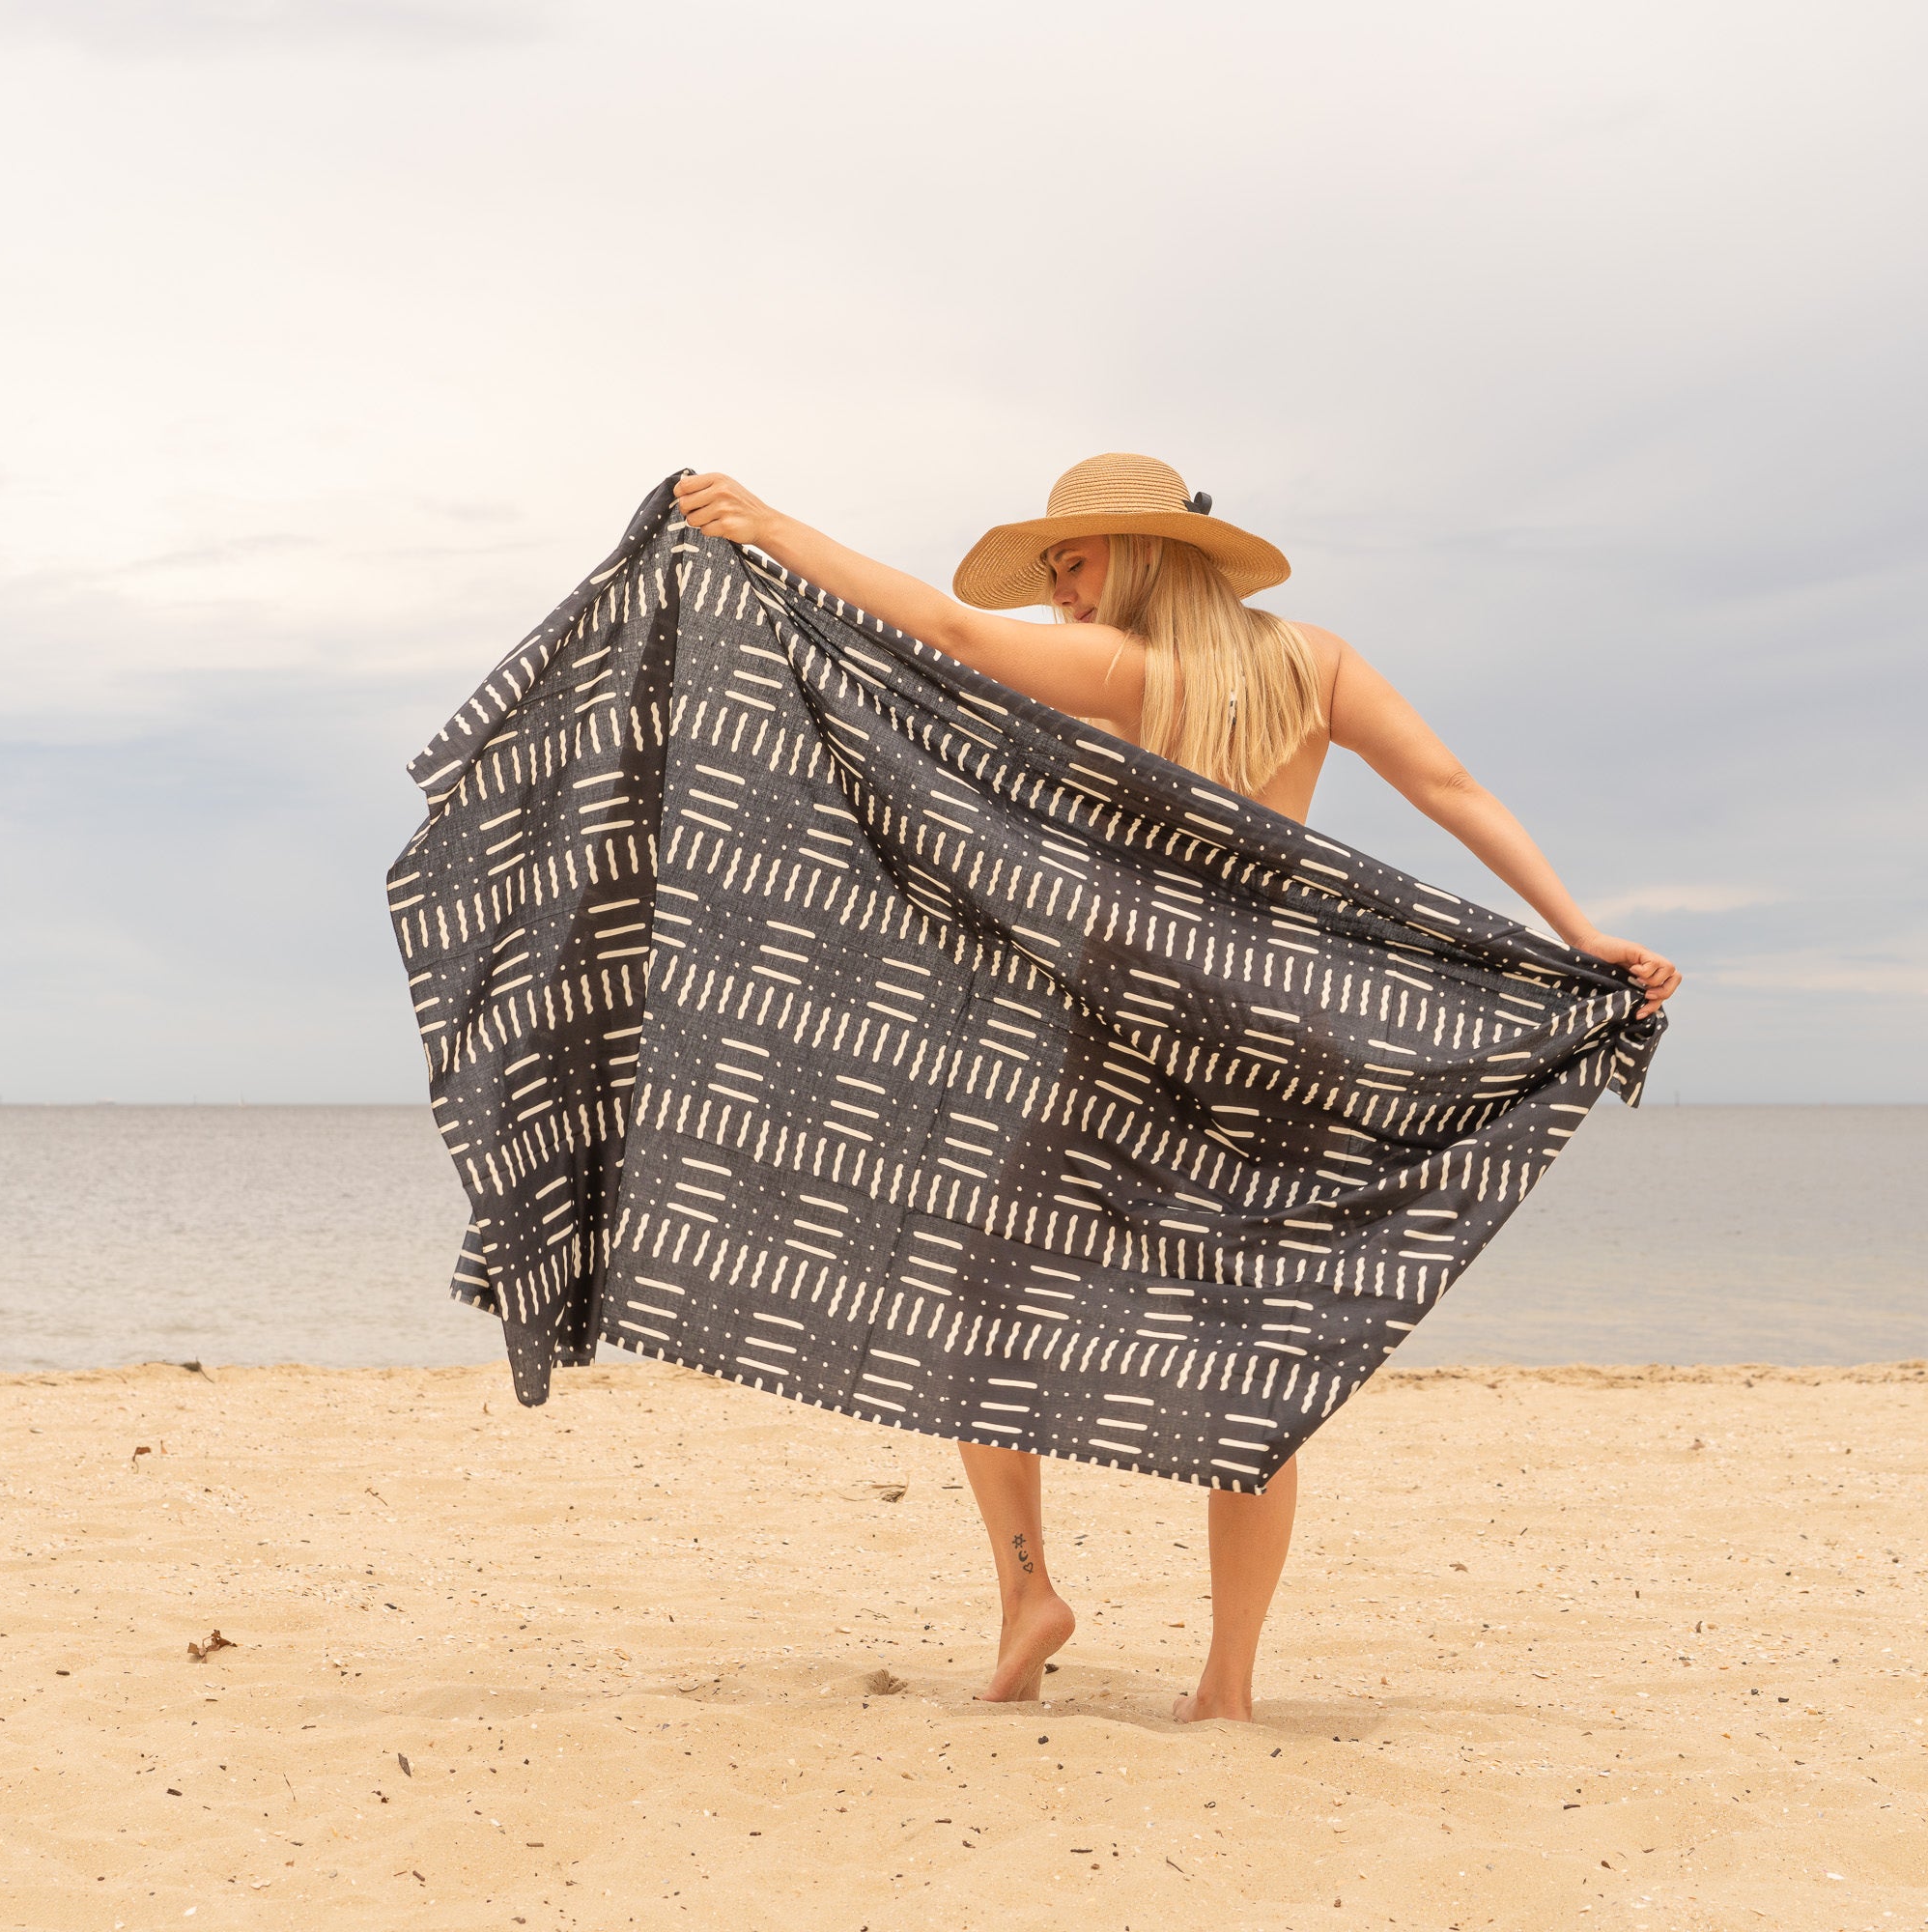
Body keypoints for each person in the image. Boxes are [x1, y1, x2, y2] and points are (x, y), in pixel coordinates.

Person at [672, 453, 1681, 1723]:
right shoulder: (1318, 666)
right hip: (1277, 1043)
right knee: (1260, 1359)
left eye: (1072, 562)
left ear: (1142, 552)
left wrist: (770, 527)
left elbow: (937, 630)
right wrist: (1576, 928)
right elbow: (1448, 788)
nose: (1059, 592)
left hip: (1121, 1031)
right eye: (1048, 574)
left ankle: (1030, 1593)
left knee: (983, 1309)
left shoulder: (1129, 674)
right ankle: (1228, 1690)